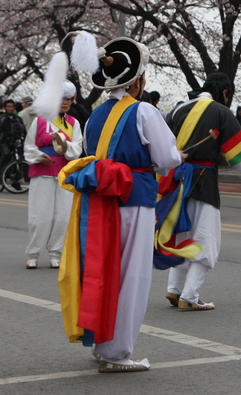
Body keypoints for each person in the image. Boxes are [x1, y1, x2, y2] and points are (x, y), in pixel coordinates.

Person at [58, 34, 184, 373]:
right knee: (132, 275)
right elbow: (167, 159)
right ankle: (116, 351)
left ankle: (103, 343)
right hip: (135, 198)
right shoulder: (144, 110)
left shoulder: (94, 115)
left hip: (101, 200)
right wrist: (176, 157)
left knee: (104, 269)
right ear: (137, 79)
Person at [158, 72, 241, 309]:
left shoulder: (177, 110)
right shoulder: (220, 111)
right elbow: (238, 150)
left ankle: (174, 289)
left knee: (183, 235)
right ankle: (189, 297)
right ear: (224, 92)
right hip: (203, 180)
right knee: (206, 239)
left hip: (175, 181)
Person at [24, 82, 84, 269]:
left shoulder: (73, 123)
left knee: (63, 216)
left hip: (64, 174)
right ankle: (33, 253)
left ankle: (56, 253)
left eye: (68, 99)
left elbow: (78, 148)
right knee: (40, 216)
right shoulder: (40, 120)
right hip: (42, 171)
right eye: (61, 99)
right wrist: (39, 156)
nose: (65, 102)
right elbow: (29, 145)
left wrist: (65, 147)